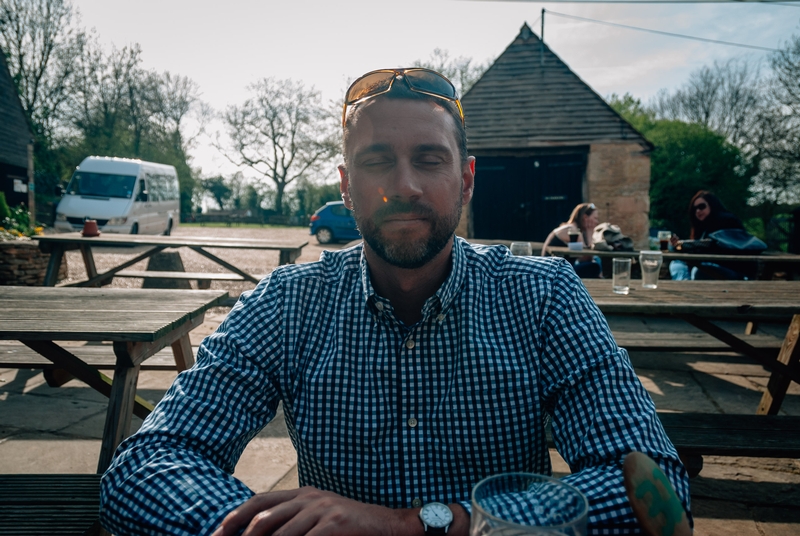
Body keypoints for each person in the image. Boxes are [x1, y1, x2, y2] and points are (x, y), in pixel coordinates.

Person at [100, 68, 690, 535]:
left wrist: (418, 525)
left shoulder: (543, 297)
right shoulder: (286, 303)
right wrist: (262, 528)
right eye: (376, 160)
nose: (403, 185)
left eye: (429, 160)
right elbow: (148, 461)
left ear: (466, 179)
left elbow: (653, 482)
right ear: (346, 185)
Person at [669, 190, 750, 280]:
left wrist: (680, 245)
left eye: (701, 206)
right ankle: (685, 287)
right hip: (713, 267)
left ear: (712, 205)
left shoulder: (726, 220)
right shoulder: (703, 227)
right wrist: (677, 245)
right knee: (677, 263)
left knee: (696, 270)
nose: (698, 211)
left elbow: (709, 245)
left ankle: (686, 288)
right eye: (695, 209)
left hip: (734, 271)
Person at [541, 203, 603, 278]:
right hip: (554, 272)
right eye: (595, 218)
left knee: (596, 260)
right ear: (585, 217)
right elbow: (586, 258)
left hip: (558, 268)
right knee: (594, 266)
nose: (597, 222)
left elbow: (581, 258)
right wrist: (589, 233)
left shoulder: (570, 228)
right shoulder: (572, 230)